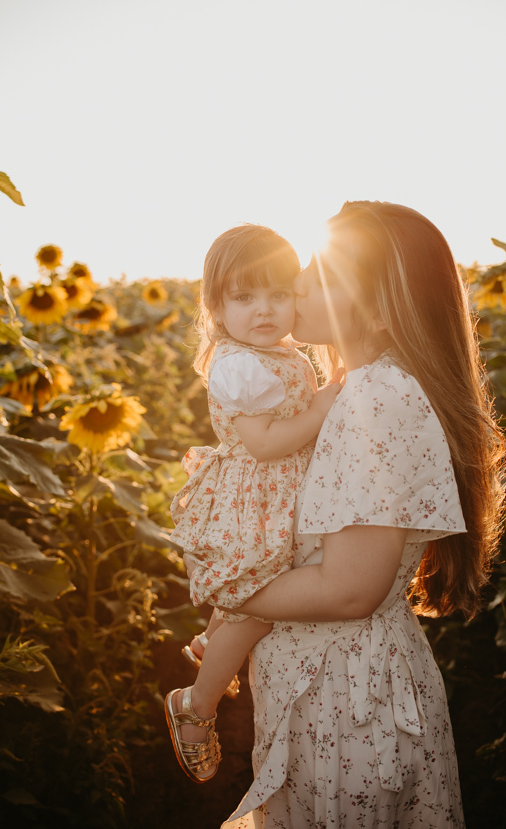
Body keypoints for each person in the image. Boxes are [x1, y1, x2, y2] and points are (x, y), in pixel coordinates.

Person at [207, 201, 506, 828]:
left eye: (317, 275)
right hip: (330, 690)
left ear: (374, 306)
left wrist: (228, 594)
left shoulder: (376, 394)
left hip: (350, 702)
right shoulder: (357, 384)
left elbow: (349, 590)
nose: (296, 288)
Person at [164, 224, 341, 783]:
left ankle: (210, 642)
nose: (264, 311)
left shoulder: (279, 352)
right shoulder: (239, 365)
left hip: (275, 493)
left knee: (250, 586)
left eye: (278, 294)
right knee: (257, 604)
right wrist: (323, 405)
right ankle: (196, 705)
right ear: (216, 306)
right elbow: (264, 442)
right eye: (244, 298)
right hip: (256, 493)